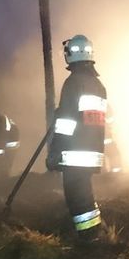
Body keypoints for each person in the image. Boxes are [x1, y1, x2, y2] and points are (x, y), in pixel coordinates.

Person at [46, 34, 107, 242]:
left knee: (77, 197)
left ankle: (89, 238)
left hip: (75, 151)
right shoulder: (97, 85)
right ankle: (95, 232)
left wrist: (56, 150)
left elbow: (67, 121)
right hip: (92, 150)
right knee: (84, 194)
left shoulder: (73, 82)